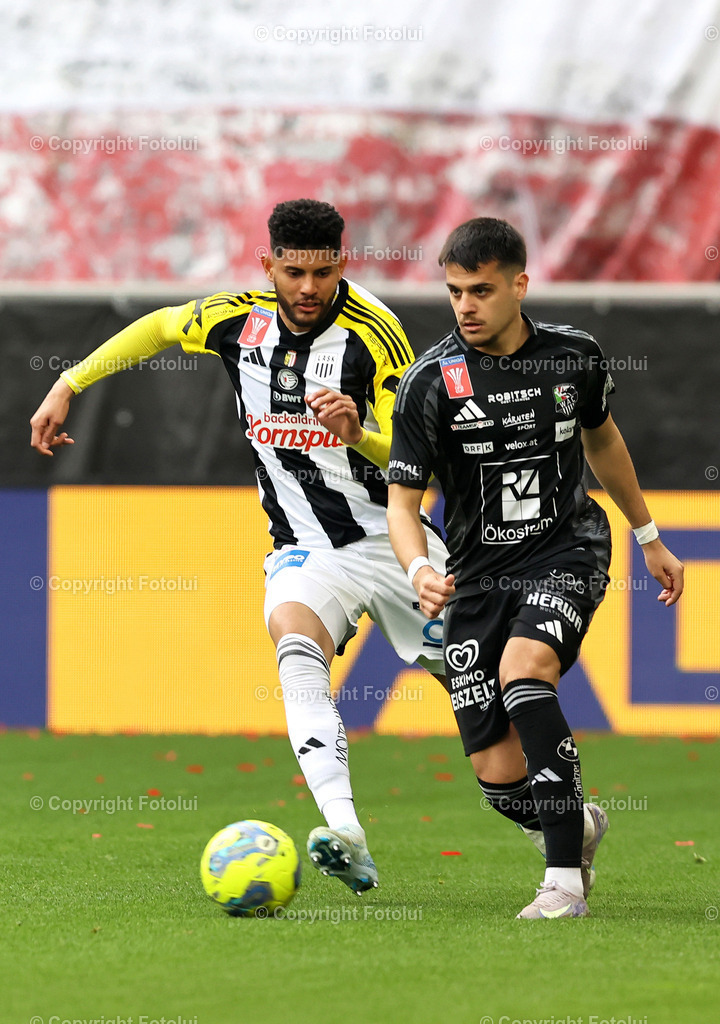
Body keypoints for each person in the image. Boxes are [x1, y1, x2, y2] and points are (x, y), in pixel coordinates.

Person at [29, 198, 452, 896]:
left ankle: (566, 825)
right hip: (306, 548)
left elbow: (421, 464)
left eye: (322, 273)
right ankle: (347, 832)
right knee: (295, 645)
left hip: (396, 542)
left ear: (342, 264)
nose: (308, 288)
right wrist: (68, 382)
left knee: (481, 701)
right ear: (268, 265)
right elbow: (160, 327)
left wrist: (360, 435)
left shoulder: (375, 335)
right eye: (293, 272)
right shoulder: (237, 320)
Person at [386, 217, 684, 919]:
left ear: (519, 285)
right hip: (476, 576)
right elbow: (402, 501)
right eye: (455, 291)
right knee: (496, 776)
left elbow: (603, 441)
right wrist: (417, 568)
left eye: (481, 291)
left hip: (566, 549)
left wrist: (648, 536)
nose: (465, 306)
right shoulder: (428, 382)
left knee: (526, 671)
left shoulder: (574, 356)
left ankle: (563, 883)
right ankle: (577, 824)